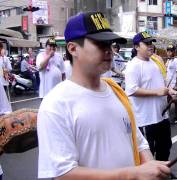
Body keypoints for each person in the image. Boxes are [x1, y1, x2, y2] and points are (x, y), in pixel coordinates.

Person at [37, 12, 170, 179]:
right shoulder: (55, 104)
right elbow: (64, 173)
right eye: (100, 44)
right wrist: (133, 174)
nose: (109, 51)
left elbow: (139, 142)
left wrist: (150, 168)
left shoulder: (116, 92)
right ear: (73, 48)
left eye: (110, 44)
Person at [125, 31, 175, 162]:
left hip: (162, 115)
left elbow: (161, 84)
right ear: (136, 47)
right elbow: (132, 90)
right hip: (146, 119)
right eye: (146, 44)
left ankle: (163, 172)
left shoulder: (154, 62)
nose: (150, 46)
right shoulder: (133, 66)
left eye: (151, 43)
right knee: (148, 153)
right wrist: (157, 92)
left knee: (165, 147)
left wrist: (170, 91)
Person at [165, 44, 177, 124]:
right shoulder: (168, 60)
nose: (169, 53)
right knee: (168, 100)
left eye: (171, 51)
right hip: (168, 85)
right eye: (168, 51)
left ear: (174, 52)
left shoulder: (176, 61)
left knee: (176, 101)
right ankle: (167, 117)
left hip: (175, 84)